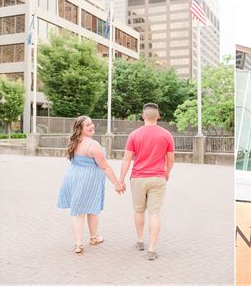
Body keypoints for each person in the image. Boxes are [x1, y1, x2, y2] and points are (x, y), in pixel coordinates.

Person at [57, 115, 125, 254]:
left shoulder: (74, 142)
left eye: (92, 123)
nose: (92, 126)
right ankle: (89, 239)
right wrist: (117, 184)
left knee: (79, 211)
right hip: (86, 180)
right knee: (89, 209)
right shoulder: (93, 145)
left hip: (72, 176)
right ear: (80, 129)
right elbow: (105, 167)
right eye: (87, 125)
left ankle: (80, 243)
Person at [119, 103, 175, 260]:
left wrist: (121, 180)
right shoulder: (166, 135)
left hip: (138, 178)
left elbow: (126, 160)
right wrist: (167, 173)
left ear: (143, 116)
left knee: (138, 210)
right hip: (158, 177)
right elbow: (170, 160)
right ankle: (151, 249)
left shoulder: (134, 135)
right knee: (155, 213)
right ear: (158, 116)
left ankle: (140, 241)